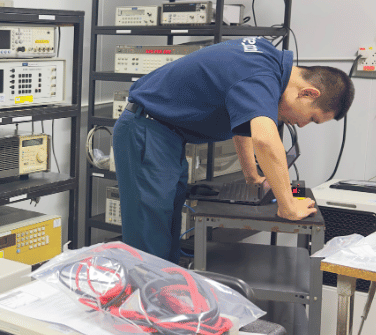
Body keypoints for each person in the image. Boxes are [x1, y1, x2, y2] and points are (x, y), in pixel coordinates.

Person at [112, 36, 355, 263]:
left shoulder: (266, 58)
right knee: (149, 241)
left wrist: (252, 176)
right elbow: (265, 140)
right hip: (148, 132)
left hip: (164, 136)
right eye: (311, 118)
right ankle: (142, 293)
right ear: (308, 93)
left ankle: (163, 290)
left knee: (165, 234)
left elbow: (243, 125)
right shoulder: (260, 75)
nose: (302, 125)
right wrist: (288, 207)